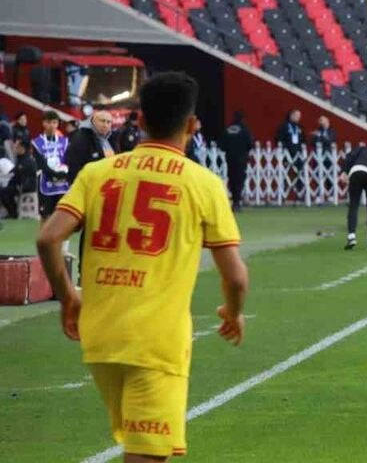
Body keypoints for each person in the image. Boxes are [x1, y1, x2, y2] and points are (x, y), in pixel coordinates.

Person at [34, 71, 249, 462]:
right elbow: (235, 277)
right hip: (155, 342)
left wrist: (67, 297)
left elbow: (48, 239)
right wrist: (232, 312)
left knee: (143, 449)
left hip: (99, 338)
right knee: (146, 456)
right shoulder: (203, 184)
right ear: (192, 125)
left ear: (142, 120)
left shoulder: (97, 174)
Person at [32, 109, 69, 220]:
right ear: (43, 123)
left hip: (62, 184)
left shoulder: (65, 141)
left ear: (58, 124)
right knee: (46, 217)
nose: (52, 125)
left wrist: (65, 173)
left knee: (63, 216)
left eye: (54, 122)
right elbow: (41, 164)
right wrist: (55, 174)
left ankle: (62, 234)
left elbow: (69, 160)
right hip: (46, 183)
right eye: (48, 122)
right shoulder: (37, 142)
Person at [65, 109, 115, 183]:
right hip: (89, 184)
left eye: (108, 122)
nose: (105, 125)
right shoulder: (81, 138)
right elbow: (74, 166)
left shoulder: (111, 138)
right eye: (102, 121)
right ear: (93, 121)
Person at [218, 111, 253, 211]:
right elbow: (250, 144)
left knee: (232, 178)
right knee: (240, 179)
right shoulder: (244, 130)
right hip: (241, 159)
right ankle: (237, 201)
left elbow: (221, 145)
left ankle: (234, 200)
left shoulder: (228, 129)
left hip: (230, 158)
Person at [1, 139, 38, 220]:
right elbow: (15, 173)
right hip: (20, 184)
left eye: (17, 147)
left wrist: (20, 185)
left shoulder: (27, 161)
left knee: (4, 193)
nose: (15, 149)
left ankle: (13, 212)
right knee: (4, 190)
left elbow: (24, 176)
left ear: (22, 148)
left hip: (26, 186)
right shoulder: (21, 159)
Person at [275, 109, 304, 201]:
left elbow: (303, 139)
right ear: (291, 115)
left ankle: (300, 194)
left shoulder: (300, 127)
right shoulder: (284, 126)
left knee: (299, 173)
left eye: (299, 116)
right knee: (285, 174)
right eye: (297, 115)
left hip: (298, 153)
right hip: (287, 153)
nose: (298, 118)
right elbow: (279, 139)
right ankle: (283, 194)